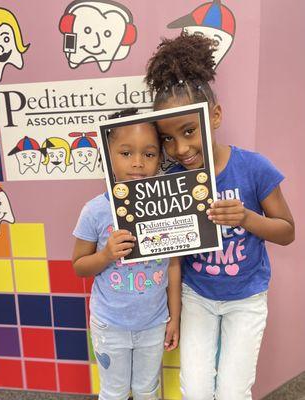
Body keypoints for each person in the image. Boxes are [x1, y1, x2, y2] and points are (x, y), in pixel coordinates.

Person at [144, 33, 295, 400]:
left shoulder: (253, 168)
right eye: (167, 138)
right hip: (197, 295)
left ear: (214, 115)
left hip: (246, 298)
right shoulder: (171, 180)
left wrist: (246, 218)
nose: (180, 148)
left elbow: (287, 231)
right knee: (194, 389)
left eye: (189, 131)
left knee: (232, 391)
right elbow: (171, 255)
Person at [72, 108, 181, 400]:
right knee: (114, 392)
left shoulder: (168, 207)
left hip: (154, 323)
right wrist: (106, 254)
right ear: (108, 157)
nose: (137, 163)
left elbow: (172, 266)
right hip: (110, 325)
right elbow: (80, 266)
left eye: (148, 154)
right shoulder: (95, 210)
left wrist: (174, 317)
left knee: (147, 390)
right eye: (125, 153)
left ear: (160, 158)